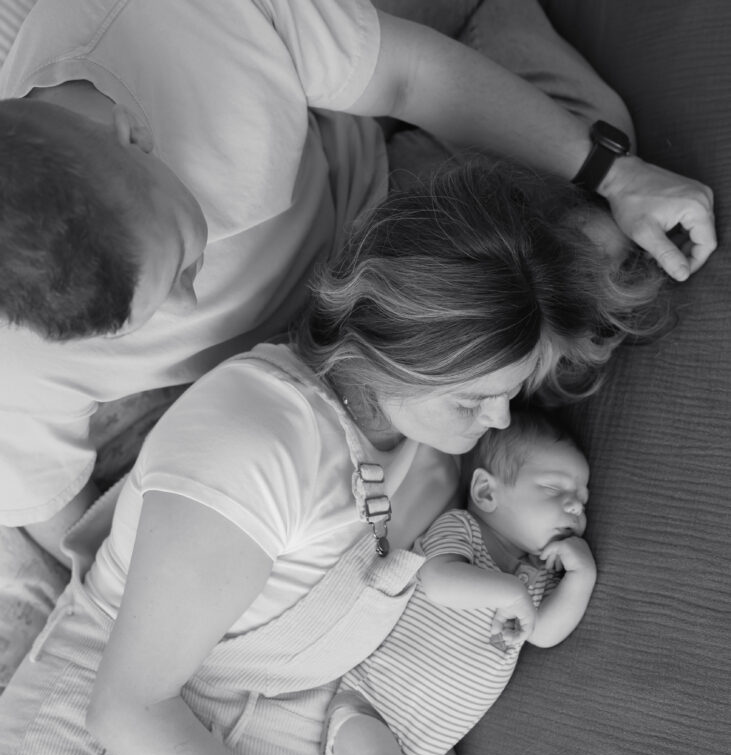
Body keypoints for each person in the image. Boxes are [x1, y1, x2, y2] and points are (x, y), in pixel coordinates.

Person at [0, 160, 668, 755]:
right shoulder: (258, 438)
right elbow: (126, 709)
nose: (498, 424)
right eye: (478, 400)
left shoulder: (428, 446)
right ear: (397, 350)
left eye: (509, 396)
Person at [0, 0, 716, 687]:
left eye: (181, 257)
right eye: (150, 313)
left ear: (133, 133)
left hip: (380, 211)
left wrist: (617, 176)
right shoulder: (17, 350)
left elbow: (409, 76)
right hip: (255, 374)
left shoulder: (184, 18)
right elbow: (58, 511)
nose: (191, 295)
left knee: (607, 224)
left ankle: (479, 21)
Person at [321, 406, 596, 755]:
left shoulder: (533, 579)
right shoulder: (463, 532)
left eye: (581, 500)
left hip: (429, 745)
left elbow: (544, 633)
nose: (575, 507)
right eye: (556, 489)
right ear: (488, 493)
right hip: (367, 711)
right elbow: (438, 585)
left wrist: (580, 577)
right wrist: (509, 591)